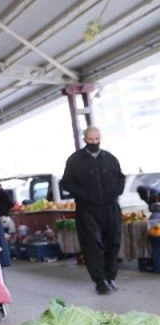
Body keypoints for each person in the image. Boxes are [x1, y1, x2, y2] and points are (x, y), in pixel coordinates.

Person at [60, 126, 125, 295]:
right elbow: (66, 183)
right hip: (87, 209)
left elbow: (121, 177)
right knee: (92, 244)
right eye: (91, 140)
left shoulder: (110, 159)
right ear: (84, 139)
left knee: (113, 241)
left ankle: (111, 277)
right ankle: (100, 280)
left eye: (97, 139)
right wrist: (84, 195)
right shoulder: (74, 160)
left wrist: (116, 191)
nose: (94, 142)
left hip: (110, 207)